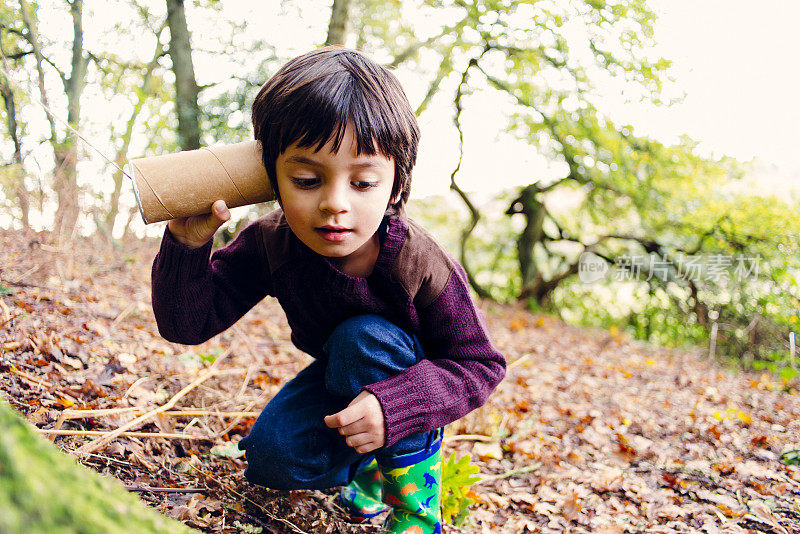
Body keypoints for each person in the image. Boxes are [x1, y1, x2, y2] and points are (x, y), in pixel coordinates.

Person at [150, 46, 506, 534]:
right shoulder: (272, 245)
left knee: (365, 338)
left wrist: (396, 406)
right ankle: (368, 470)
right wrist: (186, 248)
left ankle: (415, 509)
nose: (334, 204)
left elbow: (480, 363)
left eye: (362, 183)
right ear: (270, 177)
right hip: (339, 379)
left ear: (396, 186)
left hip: (412, 386)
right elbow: (187, 324)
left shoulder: (417, 262)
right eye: (306, 179)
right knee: (271, 459)